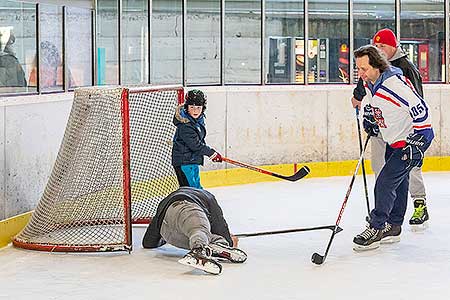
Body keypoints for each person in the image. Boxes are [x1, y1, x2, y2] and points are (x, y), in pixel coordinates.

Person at [352, 45, 434, 251]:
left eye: (364, 69)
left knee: (385, 183)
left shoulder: (394, 85)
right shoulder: (372, 83)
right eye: (358, 69)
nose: (360, 73)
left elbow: (422, 109)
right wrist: (370, 117)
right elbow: (374, 103)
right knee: (399, 184)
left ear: (377, 66)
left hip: (408, 144)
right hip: (392, 141)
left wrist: (420, 140)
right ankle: (394, 226)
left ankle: (377, 226)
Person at [142, 187, 247, 275]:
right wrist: (230, 241)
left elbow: (148, 242)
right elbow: (219, 225)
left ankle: (213, 245)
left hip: (169, 234)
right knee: (199, 229)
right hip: (185, 209)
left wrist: (164, 239)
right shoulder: (209, 197)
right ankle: (198, 250)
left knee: (204, 236)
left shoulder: (164, 203)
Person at [172, 89, 222, 189]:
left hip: (192, 160)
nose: (195, 110)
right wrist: (211, 153)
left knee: (196, 187)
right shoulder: (185, 125)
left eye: (198, 107)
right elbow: (195, 145)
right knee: (190, 190)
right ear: (187, 108)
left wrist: (211, 153)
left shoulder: (198, 119)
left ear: (203, 108)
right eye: (192, 107)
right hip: (184, 162)